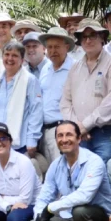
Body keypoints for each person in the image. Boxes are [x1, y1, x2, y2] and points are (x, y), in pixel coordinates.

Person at [24, 121, 111, 221]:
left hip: (100, 220)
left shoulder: (94, 162)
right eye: (60, 135)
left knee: (81, 211)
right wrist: (40, 214)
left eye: (69, 134)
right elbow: (44, 196)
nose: (64, 139)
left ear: (79, 139)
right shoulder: (55, 166)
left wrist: (51, 208)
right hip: (71, 217)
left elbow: (85, 196)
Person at [60, 19, 111, 163]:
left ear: (102, 37)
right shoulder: (75, 67)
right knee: (79, 176)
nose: (88, 40)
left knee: (103, 176)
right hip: (78, 136)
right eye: (84, 37)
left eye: (92, 35)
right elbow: (65, 101)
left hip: (105, 133)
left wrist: (84, 126)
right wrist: (77, 128)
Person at [0, 41, 46, 177]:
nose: (10, 59)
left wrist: (32, 140)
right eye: (7, 54)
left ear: (22, 59)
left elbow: (36, 111)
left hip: (20, 143)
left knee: (20, 178)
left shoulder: (29, 80)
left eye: (14, 55)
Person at [37, 27, 75, 170]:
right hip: (45, 132)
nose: (53, 51)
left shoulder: (75, 68)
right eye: (50, 47)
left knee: (65, 171)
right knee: (51, 173)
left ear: (66, 47)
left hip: (63, 129)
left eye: (57, 47)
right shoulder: (45, 69)